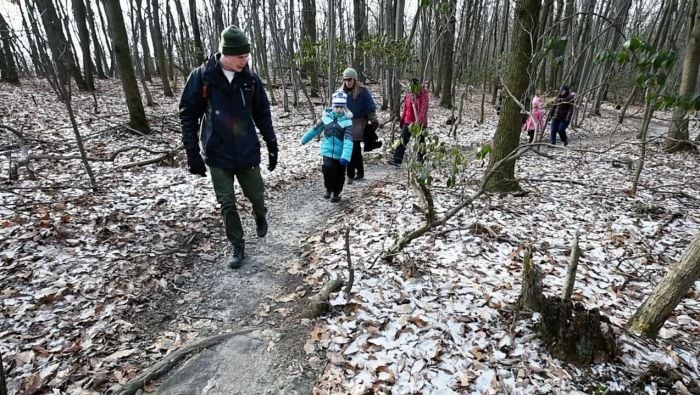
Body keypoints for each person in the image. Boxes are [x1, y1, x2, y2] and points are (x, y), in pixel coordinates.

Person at [180, 25, 278, 269]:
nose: (244, 62)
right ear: (226, 53)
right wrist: (192, 151)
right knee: (227, 202)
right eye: (240, 57)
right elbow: (188, 114)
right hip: (217, 152)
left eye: (247, 57)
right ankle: (237, 245)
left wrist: (272, 143)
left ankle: (260, 213)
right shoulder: (202, 77)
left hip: (246, 150)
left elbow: (263, 114)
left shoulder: (251, 80)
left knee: (255, 195)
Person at [301, 90, 354, 203]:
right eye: (337, 107)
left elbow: (349, 140)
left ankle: (336, 193)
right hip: (327, 151)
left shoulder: (347, 122)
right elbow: (315, 129)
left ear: (344, 108)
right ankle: (328, 188)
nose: (339, 109)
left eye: (341, 107)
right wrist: (304, 139)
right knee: (328, 170)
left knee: (339, 174)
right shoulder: (326, 118)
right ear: (333, 107)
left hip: (340, 154)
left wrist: (346, 156)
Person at [341, 67, 377, 184]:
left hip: (359, 122)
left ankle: (351, 174)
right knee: (352, 149)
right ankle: (359, 171)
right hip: (346, 122)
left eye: (350, 79)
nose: (348, 82)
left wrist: (373, 119)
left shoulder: (363, 91)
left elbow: (370, 106)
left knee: (353, 148)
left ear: (355, 79)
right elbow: (336, 108)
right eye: (345, 79)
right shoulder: (341, 92)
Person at [389, 78, 429, 166]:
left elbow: (423, 109)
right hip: (408, 120)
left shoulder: (423, 95)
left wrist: (420, 123)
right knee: (402, 139)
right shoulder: (409, 94)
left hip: (420, 122)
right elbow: (406, 108)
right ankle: (397, 160)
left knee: (420, 141)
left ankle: (421, 160)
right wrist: (402, 120)